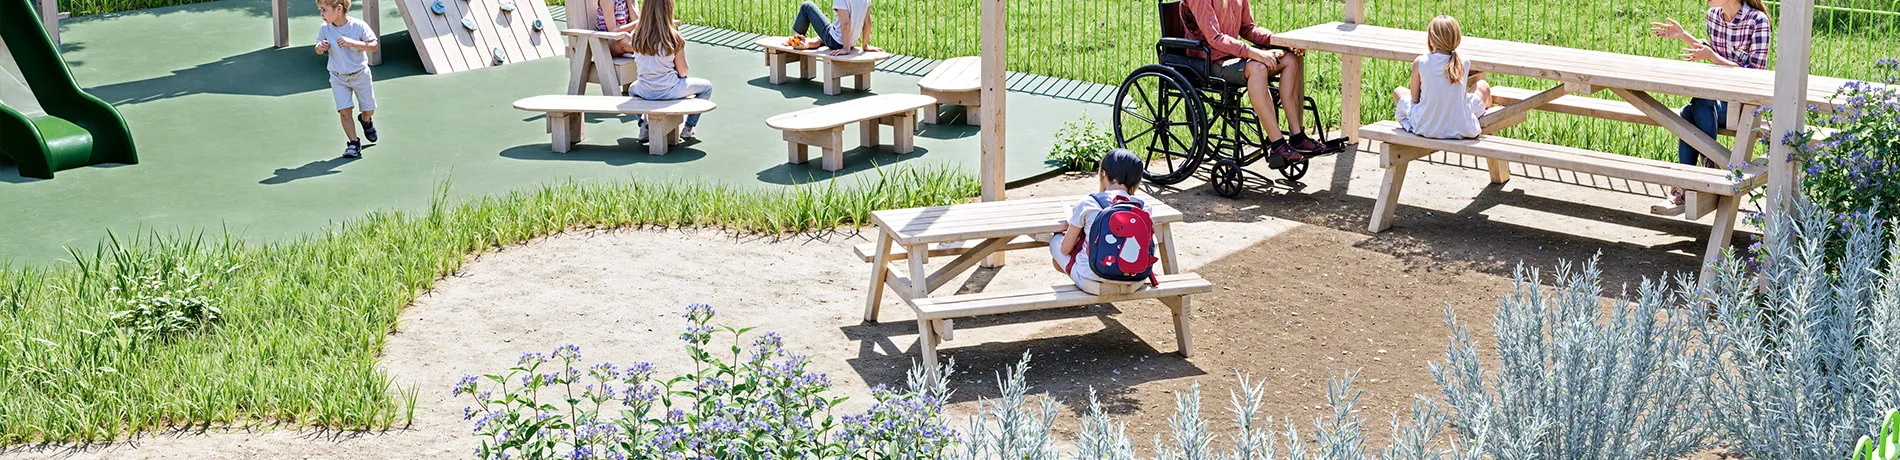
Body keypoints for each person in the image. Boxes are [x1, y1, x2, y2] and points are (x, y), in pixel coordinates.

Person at [1647, 0, 1771, 215]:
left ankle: (1690, 182)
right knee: (1688, 111)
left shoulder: (1757, 21)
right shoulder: (1714, 16)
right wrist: (1683, 35)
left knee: (1695, 107)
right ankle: (1697, 176)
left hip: (1747, 106)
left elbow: (1755, 72)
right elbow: (1713, 51)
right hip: (1719, 101)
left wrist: (1711, 57)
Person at [1177, 0, 1324, 161]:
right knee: (1258, 68)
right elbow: (1215, 38)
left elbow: (1248, 29)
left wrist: (1280, 41)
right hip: (1209, 61)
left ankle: (1297, 137)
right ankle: (1278, 145)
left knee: (1290, 59)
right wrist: (1254, 53)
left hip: (1233, 56)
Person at [1050, 149, 1158, 296]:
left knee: (1056, 241)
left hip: (1092, 279)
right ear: (1136, 182)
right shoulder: (1144, 208)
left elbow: (1064, 250)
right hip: (1135, 279)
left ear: (1103, 174)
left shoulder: (1088, 203)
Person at [1392, 15, 1492, 140]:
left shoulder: (1421, 62)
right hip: (1461, 125)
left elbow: (1415, 98)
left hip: (1427, 127)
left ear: (1431, 39)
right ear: (1457, 39)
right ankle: (1485, 109)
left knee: (1398, 92)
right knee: (1483, 86)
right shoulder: (1464, 62)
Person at [628, 0, 712, 140]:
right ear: (669, 10)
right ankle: (688, 127)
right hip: (670, 90)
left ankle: (643, 125)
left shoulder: (636, 36)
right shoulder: (674, 38)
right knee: (706, 87)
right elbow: (683, 72)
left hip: (646, 90)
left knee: (631, 89)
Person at [315, 0, 379, 159]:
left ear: (338, 8)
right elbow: (317, 48)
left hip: (360, 74)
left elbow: (374, 45)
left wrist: (353, 43)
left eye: (324, 10)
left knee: (368, 109)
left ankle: (365, 120)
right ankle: (353, 143)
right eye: (320, 10)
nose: (321, 14)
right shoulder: (325, 29)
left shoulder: (358, 26)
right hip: (338, 77)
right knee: (344, 111)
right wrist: (320, 47)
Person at [787, 0, 881, 57]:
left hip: (836, 42)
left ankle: (795, 40)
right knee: (828, 32)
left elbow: (845, 24)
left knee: (807, 6)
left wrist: (845, 49)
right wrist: (865, 46)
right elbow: (867, 22)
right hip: (851, 42)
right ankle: (811, 43)